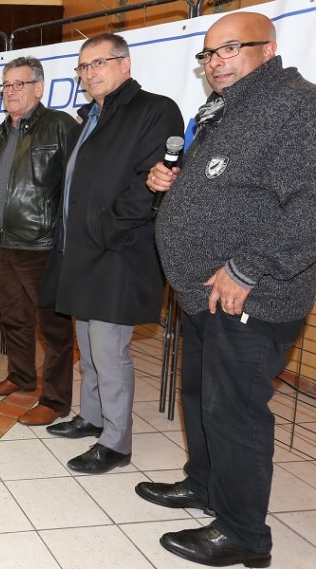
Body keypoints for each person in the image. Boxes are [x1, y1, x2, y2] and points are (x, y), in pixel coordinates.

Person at [145, 13, 316, 567]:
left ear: (269, 50)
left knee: (236, 412)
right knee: (200, 396)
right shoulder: (226, 109)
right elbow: (226, 186)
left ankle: (243, 534)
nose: (216, 61)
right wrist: (172, 182)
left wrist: (247, 268)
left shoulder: (296, 106)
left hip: (250, 294)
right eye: (208, 54)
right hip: (203, 294)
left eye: (230, 49)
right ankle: (204, 483)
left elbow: (309, 205)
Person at [42, 33, 183, 474]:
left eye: (99, 63)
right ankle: (92, 416)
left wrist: (101, 230)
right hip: (81, 251)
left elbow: (149, 185)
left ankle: (117, 442)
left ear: (125, 63)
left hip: (116, 252)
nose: (90, 73)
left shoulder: (154, 110)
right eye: (83, 67)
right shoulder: (91, 116)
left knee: (109, 350)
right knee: (87, 342)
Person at [0, 57, 79, 427]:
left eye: (19, 84)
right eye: (6, 85)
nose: (11, 92)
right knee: (14, 318)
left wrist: (61, 237)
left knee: (53, 327)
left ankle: (55, 399)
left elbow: (75, 187)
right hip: (4, 242)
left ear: (39, 88)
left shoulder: (60, 126)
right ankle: (20, 376)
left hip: (42, 245)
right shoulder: (3, 130)